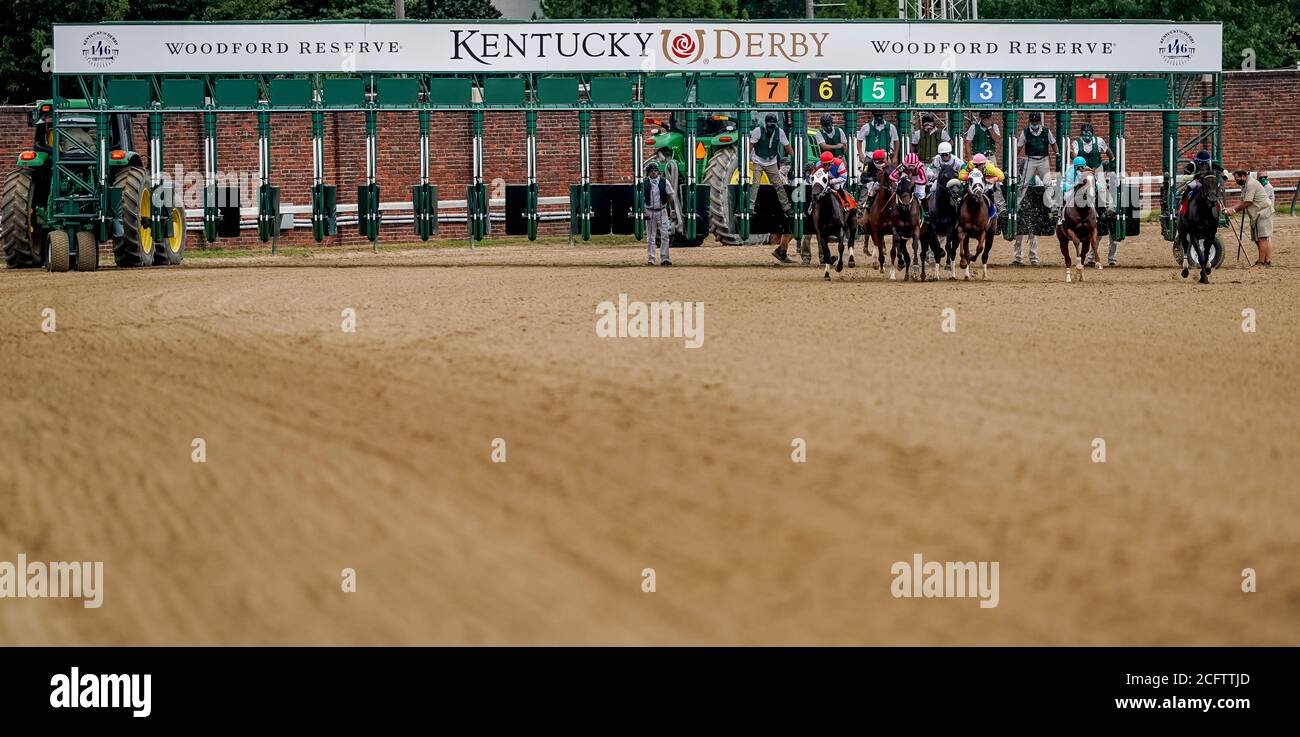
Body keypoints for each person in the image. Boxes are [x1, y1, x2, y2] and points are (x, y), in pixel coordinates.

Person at [1014, 112, 1056, 266]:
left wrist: (1057, 153)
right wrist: (1013, 158)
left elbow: (1053, 143)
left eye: (1037, 121)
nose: (1035, 123)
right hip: (1031, 159)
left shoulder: (1046, 131)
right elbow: (1019, 147)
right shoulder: (1025, 132)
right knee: (1023, 184)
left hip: (1043, 159)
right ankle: (1017, 205)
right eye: (1033, 121)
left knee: (1048, 183)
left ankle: (1052, 206)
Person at [748, 112, 794, 218]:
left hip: (772, 162)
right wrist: (746, 159)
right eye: (769, 126)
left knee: (779, 185)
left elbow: (787, 146)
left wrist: (794, 156)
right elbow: (751, 146)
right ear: (765, 124)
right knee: (755, 184)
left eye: (773, 126)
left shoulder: (780, 132)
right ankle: (750, 207)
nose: (771, 129)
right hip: (758, 161)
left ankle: (786, 208)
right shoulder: (757, 131)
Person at [1226, 170, 1274, 266]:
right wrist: (1230, 209)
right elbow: (1242, 201)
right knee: (1258, 239)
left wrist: (1233, 211)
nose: (1236, 181)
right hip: (1256, 213)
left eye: (1237, 178)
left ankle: (1262, 262)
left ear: (1243, 176)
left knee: (1262, 238)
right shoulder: (1245, 185)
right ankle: (1266, 260)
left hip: (1263, 212)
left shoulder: (1251, 184)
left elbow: (1247, 202)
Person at [642, 161, 676, 266]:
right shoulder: (644, 183)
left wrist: (672, 211)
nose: (653, 173)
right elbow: (640, 198)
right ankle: (651, 259)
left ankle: (665, 258)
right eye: (651, 171)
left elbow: (670, 197)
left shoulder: (664, 182)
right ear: (648, 173)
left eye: (655, 170)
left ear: (658, 172)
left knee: (665, 235)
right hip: (649, 210)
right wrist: (643, 211)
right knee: (651, 237)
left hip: (662, 210)